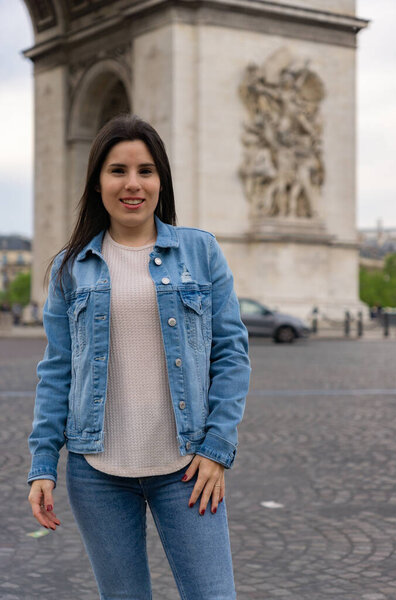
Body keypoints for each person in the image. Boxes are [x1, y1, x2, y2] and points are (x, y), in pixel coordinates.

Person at [27, 113, 251, 600]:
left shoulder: (201, 250)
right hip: (97, 474)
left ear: (161, 180)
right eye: (118, 170)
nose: (133, 184)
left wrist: (216, 448)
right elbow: (56, 371)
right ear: (97, 181)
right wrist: (43, 463)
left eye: (146, 170)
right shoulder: (70, 268)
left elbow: (232, 354)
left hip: (187, 468)